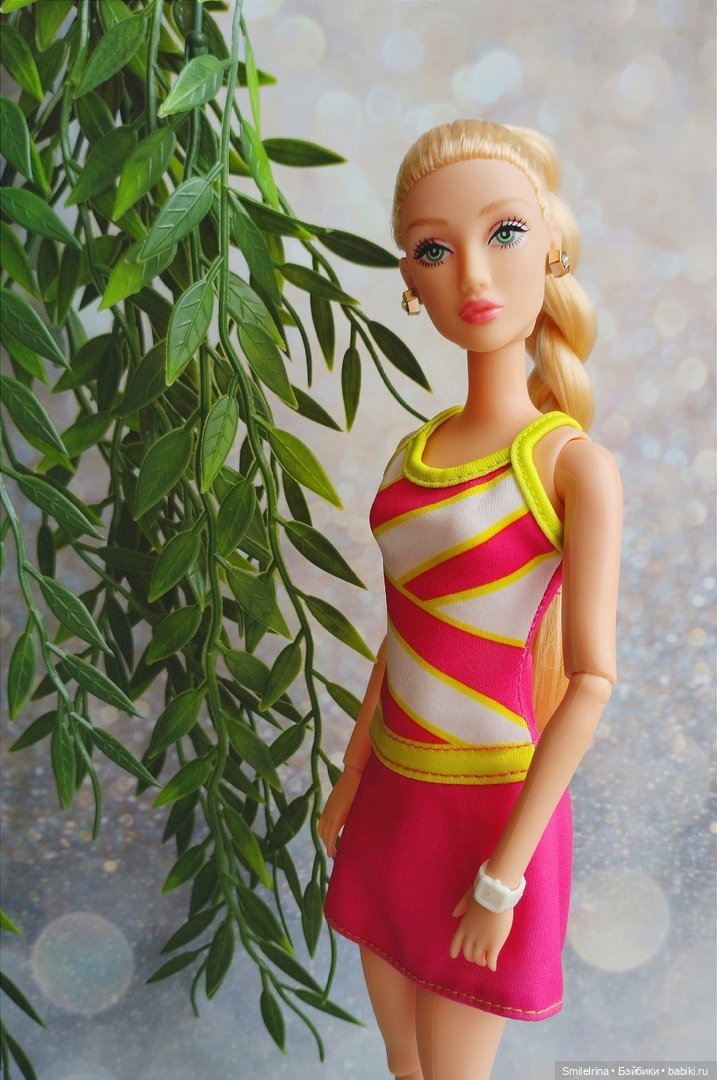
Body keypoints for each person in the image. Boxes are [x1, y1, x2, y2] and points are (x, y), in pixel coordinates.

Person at [318, 119, 622, 1080]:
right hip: (390, 799)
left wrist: (503, 875)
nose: (473, 276)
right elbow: (402, 631)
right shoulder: (411, 452)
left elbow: (590, 682)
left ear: (551, 244)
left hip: (490, 816)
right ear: (410, 281)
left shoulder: (569, 465)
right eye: (433, 249)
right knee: (403, 1064)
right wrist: (353, 770)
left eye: (504, 233)